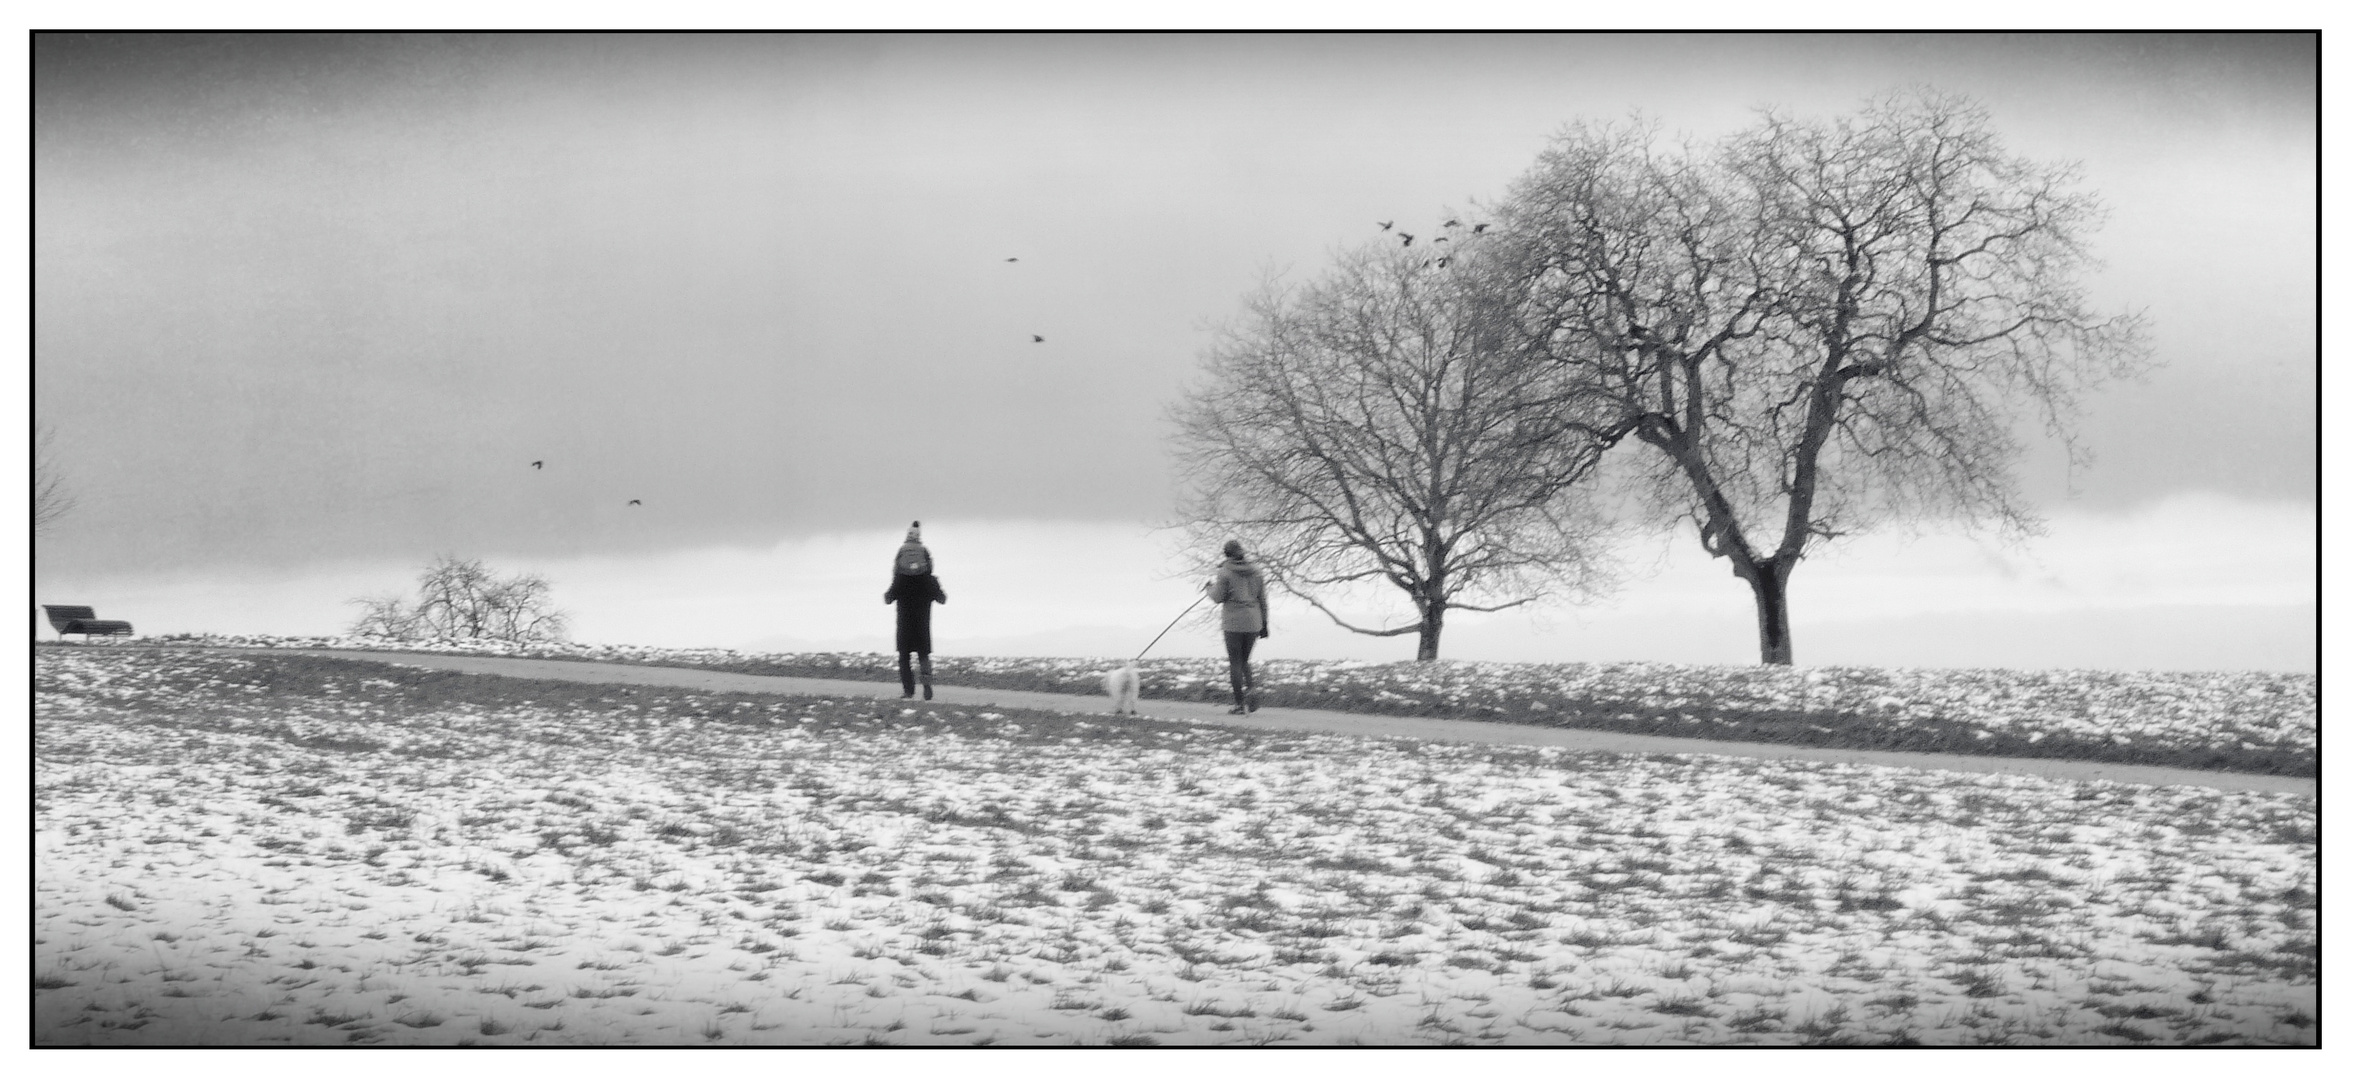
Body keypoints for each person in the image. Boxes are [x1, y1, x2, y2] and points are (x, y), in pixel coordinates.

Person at [883, 522, 946, 699]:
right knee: (923, 655)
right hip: (922, 622)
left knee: (904, 657)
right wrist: (934, 589)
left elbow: (888, 598)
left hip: (904, 622)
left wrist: (892, 592)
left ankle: (908, 690)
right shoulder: (928, 578)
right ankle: (926, 684)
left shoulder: (900, 578)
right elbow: (942, 599)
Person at [1208, 539, 1269, 715]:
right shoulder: (1257, 571)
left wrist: (1208, 588)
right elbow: (1263, 600)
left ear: (1226, 554)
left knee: (1235, 662)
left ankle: (1240, 705)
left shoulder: (1225, 572)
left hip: (1233, 623)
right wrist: (1264, 624)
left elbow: (1218, 597)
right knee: (1244, 660)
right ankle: (1251, 691)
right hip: (1253, 622)